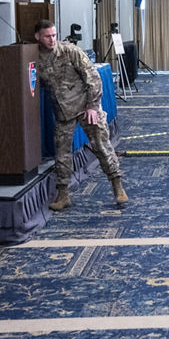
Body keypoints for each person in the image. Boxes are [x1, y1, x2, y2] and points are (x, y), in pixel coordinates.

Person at [34, 20, 127, 210]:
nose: (52, 39)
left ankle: (117, 185)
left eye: (54, 35)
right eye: (47, 36)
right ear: (38, 37)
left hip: (86, 107)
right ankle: (63, 195)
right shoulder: (34, 57)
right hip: (63, 111)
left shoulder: (69, 51)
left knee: (102, 147)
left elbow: (93, 77)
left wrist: (93, 106)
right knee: (62, 154)